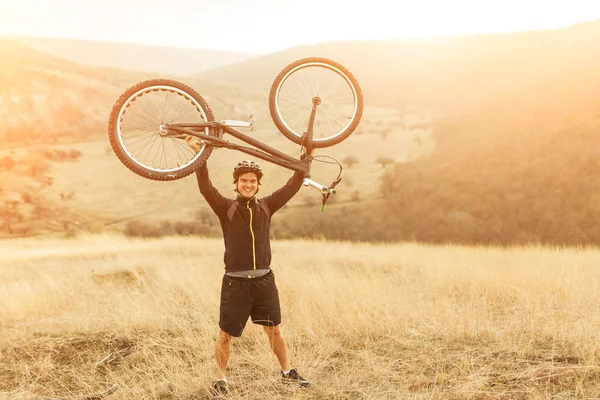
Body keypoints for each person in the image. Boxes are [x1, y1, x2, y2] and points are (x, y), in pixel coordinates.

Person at [187, 137, 310, 397]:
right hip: (235, 283)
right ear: (237, 183)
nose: (248, 184)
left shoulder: (267, 205)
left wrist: (305, 159)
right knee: (224, 335)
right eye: (244, 180)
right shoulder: (226, 208)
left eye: (252, 181)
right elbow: (205, 187)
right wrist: (200, 158)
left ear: (258, 184)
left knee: (274, 329)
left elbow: (293, 185)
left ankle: (287, 373)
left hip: (265, 281)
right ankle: (221, 380)